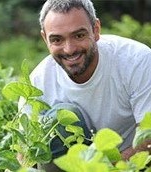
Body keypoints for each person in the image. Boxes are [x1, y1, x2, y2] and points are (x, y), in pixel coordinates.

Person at [19, 0, 151, 171]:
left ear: (96, 30)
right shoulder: (38, 82)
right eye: (57, 39)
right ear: (45, 38)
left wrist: (104, 169)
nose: (69, 49)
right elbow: (24, 154)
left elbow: (149, 137)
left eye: (79, 35)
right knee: (60, 116)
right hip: (69, 167)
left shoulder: (136, 60)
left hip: (127, 165)